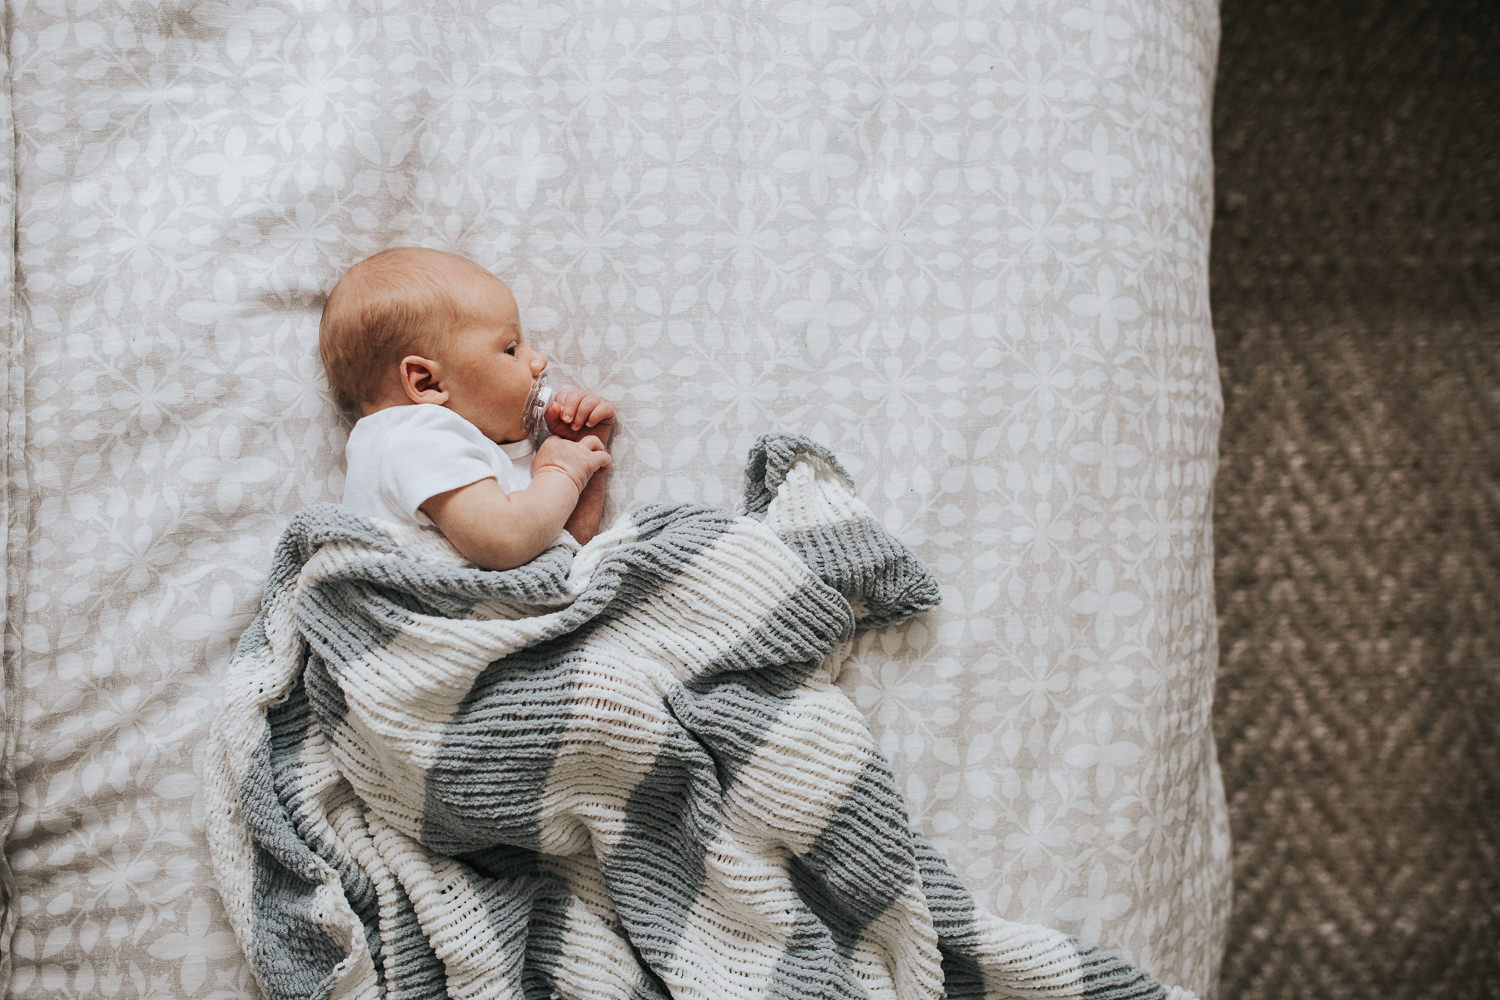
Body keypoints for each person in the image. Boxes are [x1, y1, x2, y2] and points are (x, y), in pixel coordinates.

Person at [318, 246, 614, 570]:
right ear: (427, 384)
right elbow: (508, 541)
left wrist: (584, 459)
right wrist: (562, 473)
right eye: (511, 348)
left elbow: (563, 561)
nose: (538, 360)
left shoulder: (475, 450)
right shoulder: (413, 437)